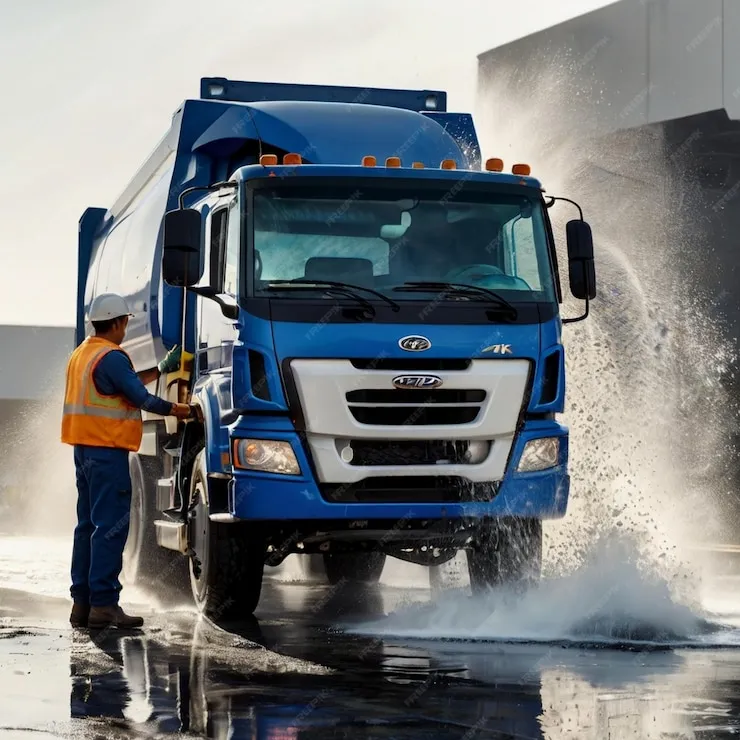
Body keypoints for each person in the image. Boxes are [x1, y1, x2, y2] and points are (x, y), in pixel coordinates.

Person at [61, 293, 193, 630]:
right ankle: (104, 605)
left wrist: (160, 370)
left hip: (85, 451)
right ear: (118, 323)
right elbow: (141, 398)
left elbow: (124, 385)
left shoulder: (83, 354)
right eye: (125, 323)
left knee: (88, 527)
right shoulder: (112, 356)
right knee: (109, 528)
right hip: (107, 452)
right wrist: (178, 410)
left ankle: (83, 604)